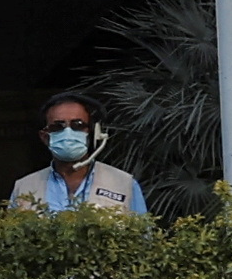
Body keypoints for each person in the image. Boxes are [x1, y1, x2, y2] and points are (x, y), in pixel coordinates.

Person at [10, 93, 147, 217]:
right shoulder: (24, 187)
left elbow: (143, 241)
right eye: (58, 127)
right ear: (45, 137)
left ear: (92, 133)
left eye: (78, 125)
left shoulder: (123, 184)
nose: (68, 132)